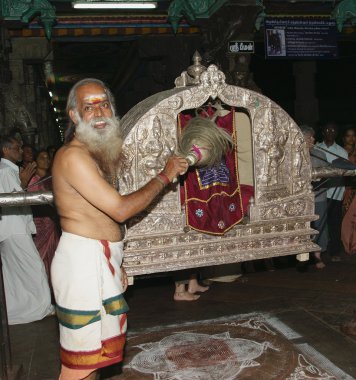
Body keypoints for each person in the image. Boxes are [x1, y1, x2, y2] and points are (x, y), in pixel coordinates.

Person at [51, 78, 188, 380]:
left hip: (100, 260)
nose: (99, 112)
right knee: (78, 364)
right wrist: (164, 176)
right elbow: (121, 209)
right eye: (89, 107)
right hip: (82, 265)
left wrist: (116, 261)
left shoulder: (95, 154)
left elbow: (105, 217)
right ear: (74, 115)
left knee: (96, 359)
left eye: (104, 104)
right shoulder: (73, 156)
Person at [0, 135, 54, 324]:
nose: (21, 151)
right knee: (35, 267)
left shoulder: (8, 169)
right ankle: (41, 308)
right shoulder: (6, 171)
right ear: (5, 150)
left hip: (12, 228)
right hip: (14, 228)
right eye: (16, 148)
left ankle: (15, 311)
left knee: (14, 274)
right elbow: (12, 199)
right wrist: (23, 183)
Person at [316, 123, 348, 262]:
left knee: (335, 223)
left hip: (335, 192)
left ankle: (334, 251)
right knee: (320, 224)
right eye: (327, 129)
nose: (330, 132)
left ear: (337, 133)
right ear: (323, 132)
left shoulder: (341, 151)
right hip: (319, 194)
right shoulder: (316, 149)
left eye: (333, 129)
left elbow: (346, 172)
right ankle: (320, 251)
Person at [28, 149, 60, 285]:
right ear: (35, 161)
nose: (46, 160)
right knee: (40, 259)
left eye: (48, 158)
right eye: (42, 158)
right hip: (40, 224)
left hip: (52, 224)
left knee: (54, 259)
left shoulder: (51, 178)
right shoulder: (33, 181)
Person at [301, 125, 329, 269]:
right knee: (303, 227)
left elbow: (327, 173)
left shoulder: (320, 154)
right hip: (301, 199)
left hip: (319, 197)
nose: (313, 139)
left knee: (320, 226)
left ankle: (318, 255)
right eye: (309, 137)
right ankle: (302, 255)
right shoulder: (294, 156)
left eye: (312, 136)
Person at [341, 127, 356, 255]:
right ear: (344, 138)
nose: (351, 139)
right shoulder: (341, 152)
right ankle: (347, 245)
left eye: (353, 136)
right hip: (347, 190)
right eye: (348, 136)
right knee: (347, 218)